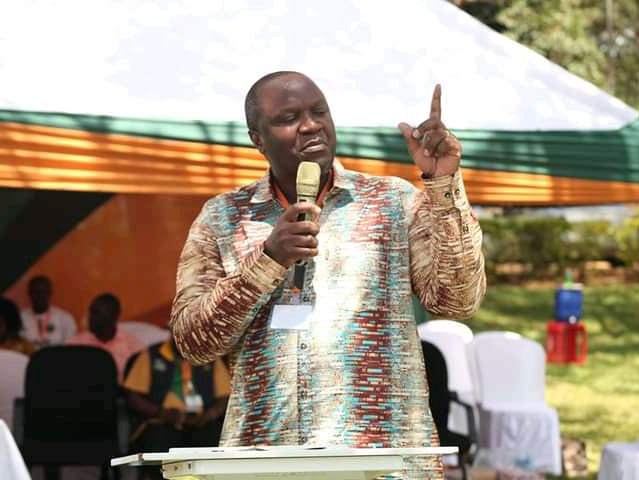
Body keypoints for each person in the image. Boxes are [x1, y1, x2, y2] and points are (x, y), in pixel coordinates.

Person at [170, 71, 486, 479]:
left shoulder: (392, 201)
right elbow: (193, 342)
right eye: (289, 117)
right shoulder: (224, 217)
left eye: (319, 111)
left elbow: (457, 300)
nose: (310, 124)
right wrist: (267, 259)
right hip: (267, 457)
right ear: (257, 139)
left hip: (385, 457)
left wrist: (443, 184)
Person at [123, 337, 230, 479]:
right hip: (162, 421)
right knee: (160, 448)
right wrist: (160, 412)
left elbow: (225, 395)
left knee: (217, 444)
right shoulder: (152, 355)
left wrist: (210, 414)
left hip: (201, 422)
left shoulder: (209, 356)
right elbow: (133, 396)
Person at [67, 293, 143, 383]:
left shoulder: (132, 345)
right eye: (92, 313)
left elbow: (139, 381)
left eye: (99, 314)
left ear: (115, 317)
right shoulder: (75, 343)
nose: (92, 319)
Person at [20, 275, 77, 347]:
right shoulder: (20, 318)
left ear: (50, 293)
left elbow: (70, 347)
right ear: (29, 294)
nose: (39, 296)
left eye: (43, 292)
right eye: (35, 292)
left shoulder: (65, 318)